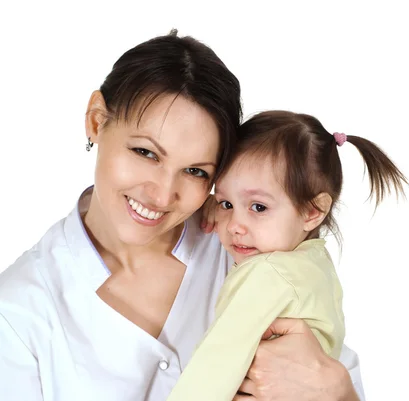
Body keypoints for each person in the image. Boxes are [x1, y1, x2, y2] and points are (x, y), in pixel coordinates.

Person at [0, 30, 366, 401]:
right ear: (96, 120)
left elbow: (337, 372)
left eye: (195, 172)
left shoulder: (248, 245)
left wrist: (338, 392)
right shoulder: (18, 313)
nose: (161, 194)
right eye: (145, 152)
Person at [167, 110, 407, 401]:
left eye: (258, 207)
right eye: (226, 203)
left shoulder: (265, 274)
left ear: (312, 212)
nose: (234, 226)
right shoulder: (315, 265)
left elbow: (216, 364)